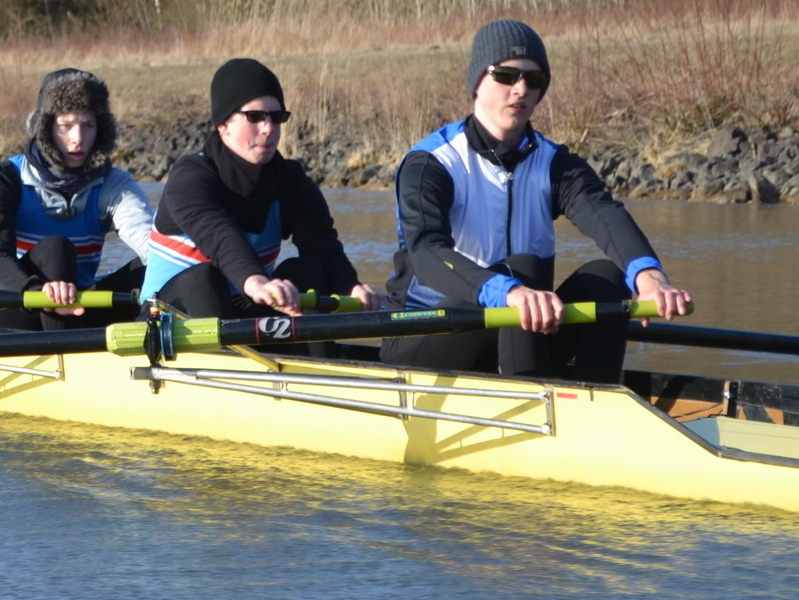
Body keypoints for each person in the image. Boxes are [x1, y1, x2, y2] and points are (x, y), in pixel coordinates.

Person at [383, 19, 693, 381]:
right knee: (523, 270)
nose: (521, 89)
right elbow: (426, 254)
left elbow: (605, 215)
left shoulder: (555, 163)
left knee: (608, 278)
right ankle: (535, 398)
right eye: (506, 75)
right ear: (477, 82)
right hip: (425, 337)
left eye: (534, 79)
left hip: (520, 334)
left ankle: (596, 396)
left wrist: (648, 275)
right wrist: (508, 292)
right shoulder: (431, 164)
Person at [141, 57, 385, 324]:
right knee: (203, 279)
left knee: (307, 272)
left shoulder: (290, 181)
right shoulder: (189, 178)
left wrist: (350, 287)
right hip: (164, 317)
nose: (268, 129)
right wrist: (255, 279)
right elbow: (220, 236)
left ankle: (319, 349)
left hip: (240, 309)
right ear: (223, 124)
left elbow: (323, 247)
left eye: (277, 117)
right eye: (254, 117)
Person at [0, 68, 155, 330]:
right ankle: (63, 349)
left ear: (101, 128)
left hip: (76, 307)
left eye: (88, 125)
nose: (78, 139)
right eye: (66, 126)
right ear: (45, 127)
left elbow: (150, 243)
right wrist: (38, 292)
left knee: (163, 260)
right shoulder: (5, 179)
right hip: (9, 305)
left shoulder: (114, 185)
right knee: (56, 248)